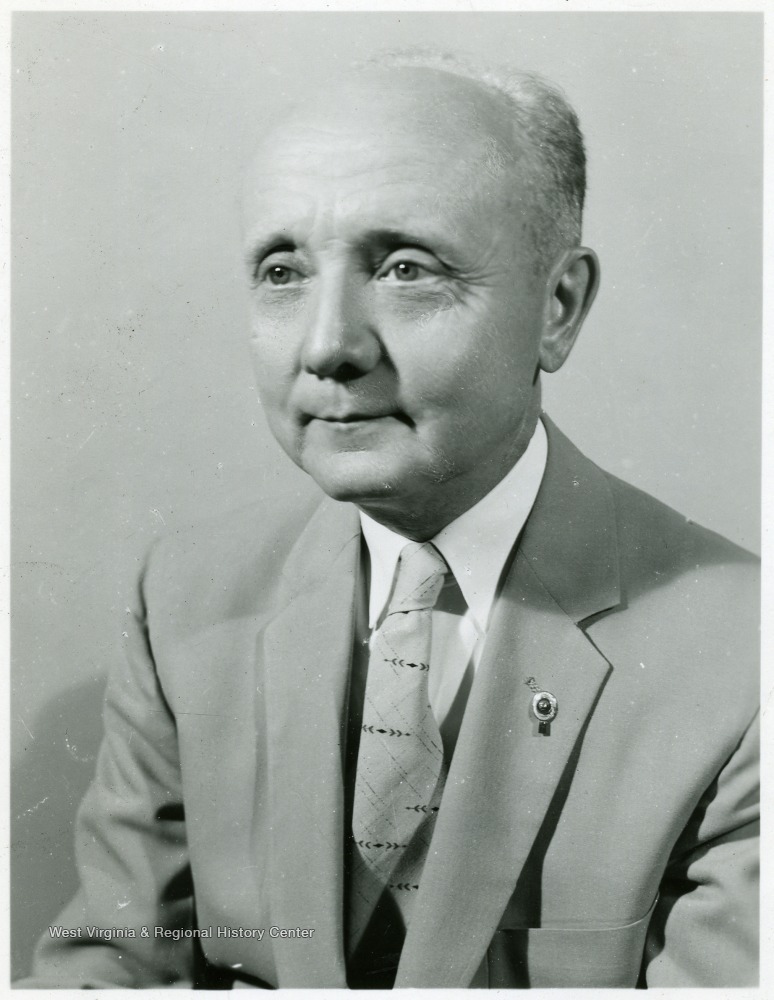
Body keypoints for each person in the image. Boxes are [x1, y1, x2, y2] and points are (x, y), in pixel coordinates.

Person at [17, 52, 759, 989]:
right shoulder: (186, 597)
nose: (328, 344)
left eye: (407, 268)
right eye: (282, 272)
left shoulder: (746, 657)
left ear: (558, 308)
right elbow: (110, 970)